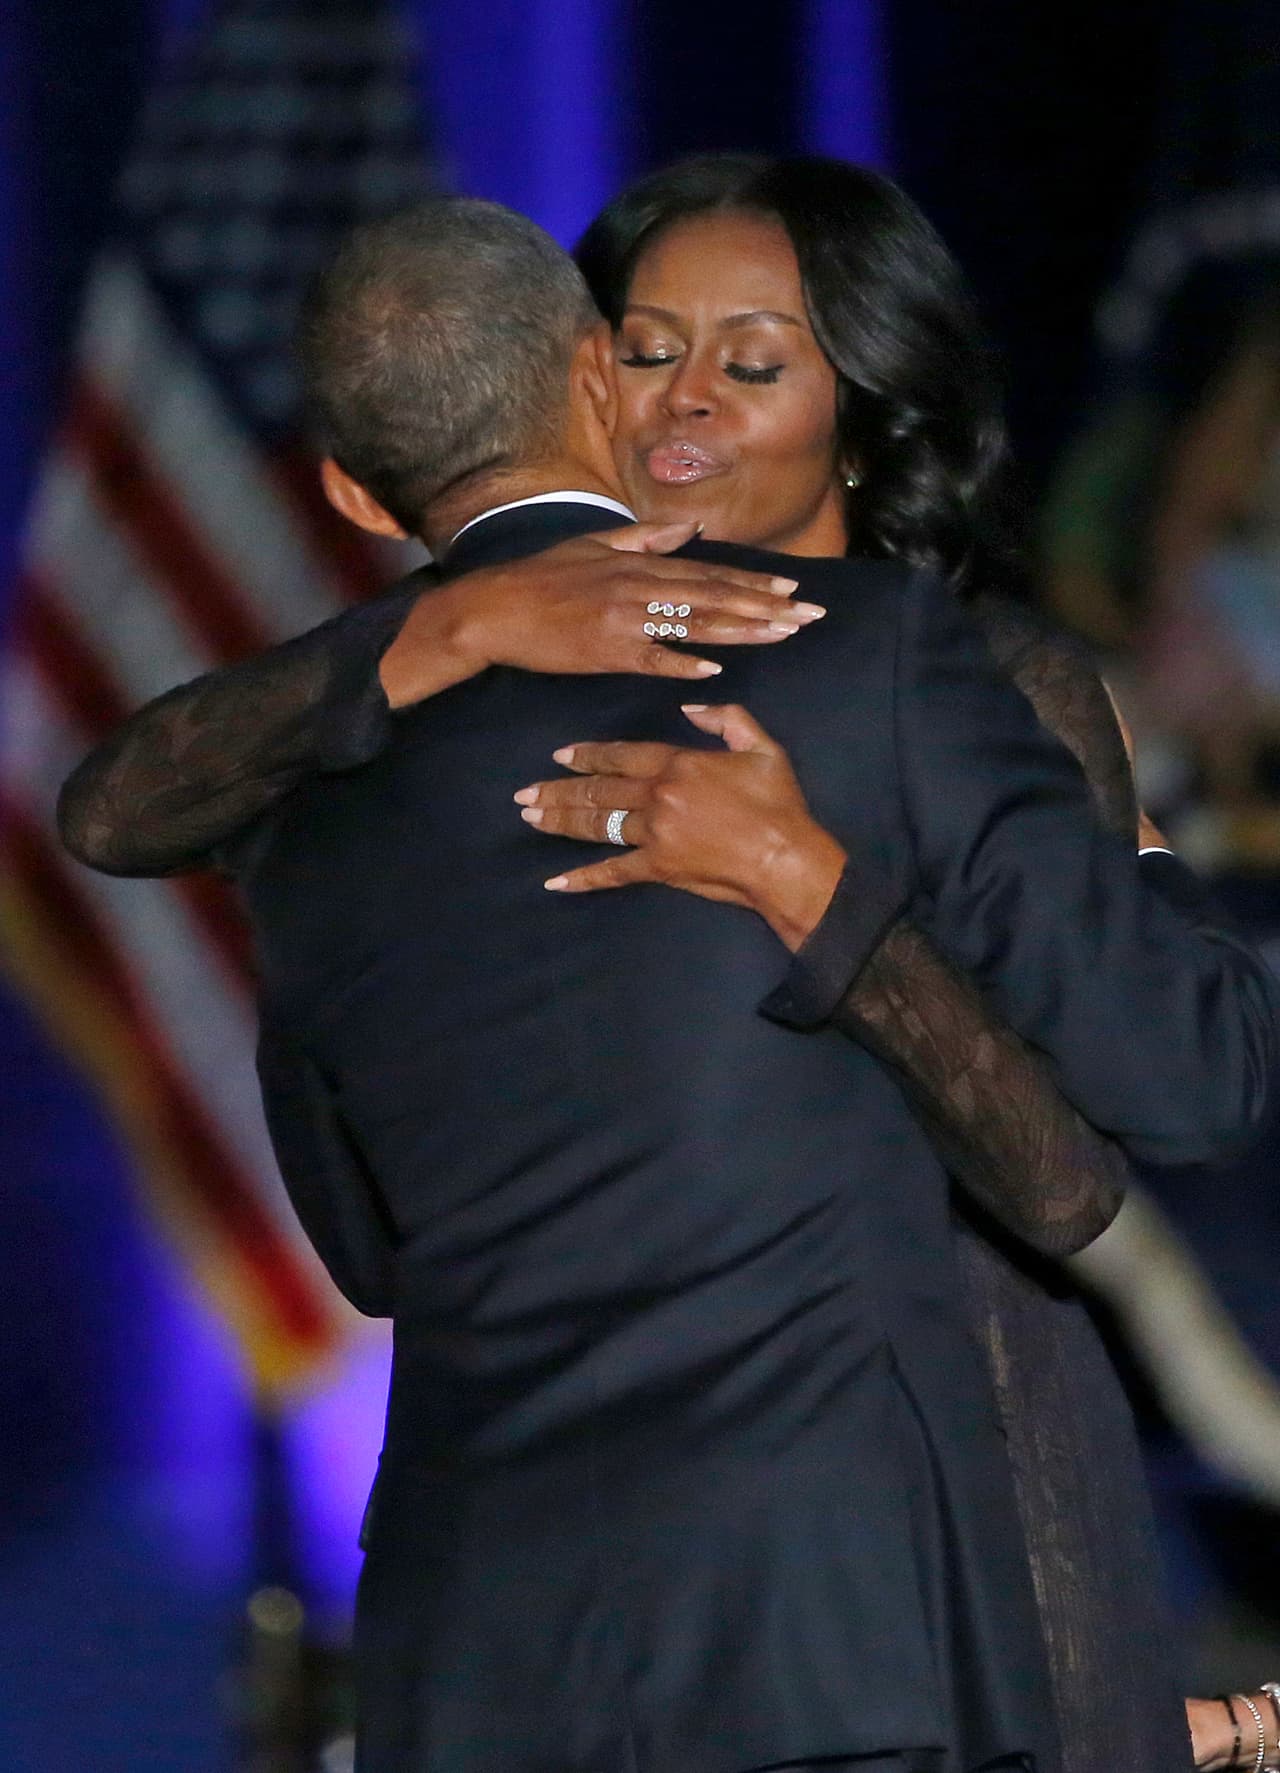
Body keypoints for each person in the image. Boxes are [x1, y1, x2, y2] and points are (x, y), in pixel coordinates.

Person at [57, 183, 1278, 1772]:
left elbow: (1094, 1161)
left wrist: (804, 880)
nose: (686, 395)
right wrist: (463, 634)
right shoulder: (365, 737)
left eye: (753, 361)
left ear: (861, 415)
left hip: (626, 1642)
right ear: (585, 379)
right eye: (650, 347)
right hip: (838, 1646)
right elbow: (1098, 1152)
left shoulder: (967, 677)